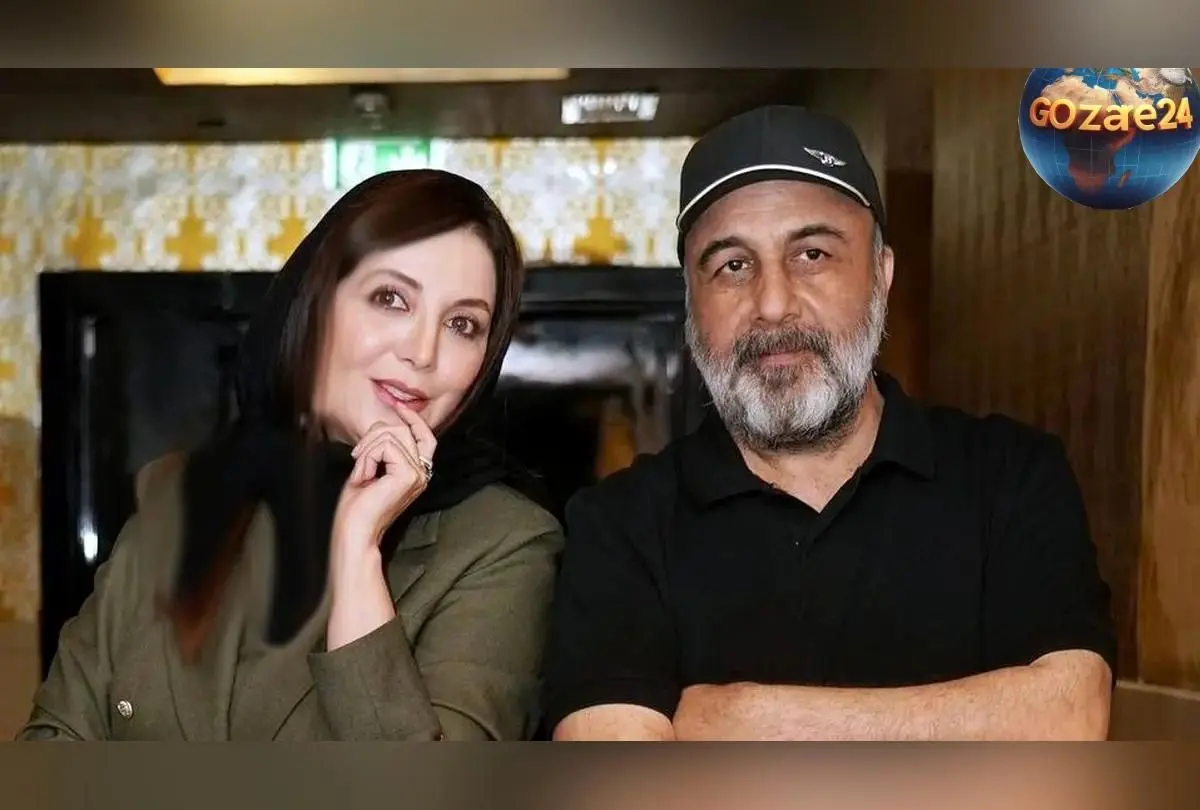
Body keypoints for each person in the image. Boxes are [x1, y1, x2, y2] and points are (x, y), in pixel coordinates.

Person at [541, 106, 1116, 741]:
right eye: (732, 265)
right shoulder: (618, 525)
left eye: (812, 254)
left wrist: (745, 719)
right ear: (691, 302)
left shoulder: (1010, 477)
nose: (773, 304)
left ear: (881, 275)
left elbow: (1070, 717)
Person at [20, 169, 562, 741]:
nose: (422, 351)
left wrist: (356, 553)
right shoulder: (179, 495)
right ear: (315, 304)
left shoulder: (505, 543)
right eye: (391, 299)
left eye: (462, 324)